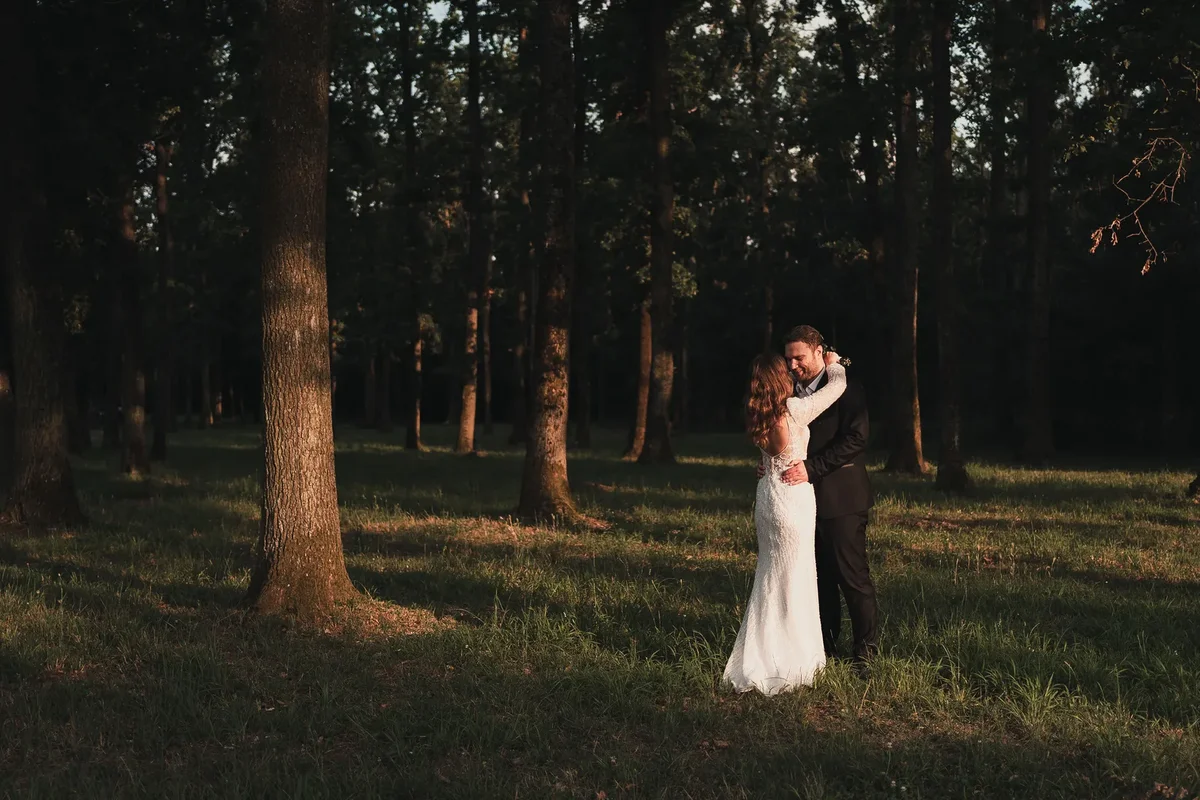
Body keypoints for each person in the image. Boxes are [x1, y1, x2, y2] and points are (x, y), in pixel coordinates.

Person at [722, 348, 845, 694]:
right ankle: (794, 661)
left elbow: (769, 455)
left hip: (767, 497)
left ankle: (764, 651)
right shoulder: (792, 410)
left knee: (770, 577)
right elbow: (833, 391)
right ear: (780, 378)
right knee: (796, 578)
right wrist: (835, 366)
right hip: (792, 501)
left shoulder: (759, 412)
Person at [773, 325, 879, 675]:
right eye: (788, 359)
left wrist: (811, 467)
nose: (792, 366)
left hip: (841, 498)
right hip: (801, 502)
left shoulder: (847, 388)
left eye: (799, 357)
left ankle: (865, 656)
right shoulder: (790, 389)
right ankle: (824, 649)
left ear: (820, 352)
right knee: (818, 579)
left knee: (852, 577)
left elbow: (857, 439)